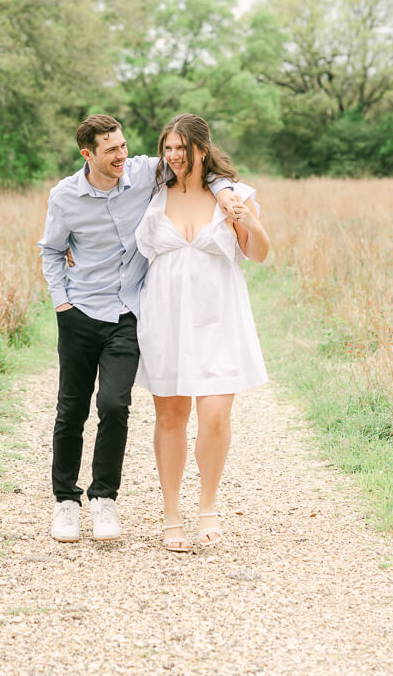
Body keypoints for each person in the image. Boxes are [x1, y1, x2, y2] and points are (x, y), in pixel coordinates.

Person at [39, 114, 240, 544]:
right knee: (71, 409)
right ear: (87, 154)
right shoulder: (65, 196)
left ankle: (104, 499)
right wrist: (62, 301)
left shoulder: (144, 173)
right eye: (111, 150)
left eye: (124, 146)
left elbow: (199, 168)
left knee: (114, 405)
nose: (122, 156)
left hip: (128, 312)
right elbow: (52, 251)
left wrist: (224, 193)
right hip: (78, 313)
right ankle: (66, 503)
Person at [134, 113, 270, 551]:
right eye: (167, 148)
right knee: (171, 417)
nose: (173, 156)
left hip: (219, 315)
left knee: (215, 413)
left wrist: (245, 217)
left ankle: (207, 506)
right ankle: (172, 513)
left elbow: (261, 253)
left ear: (202, 150)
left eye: (181, 149)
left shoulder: (233, 196)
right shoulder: (151, 192)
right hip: (166, 315)